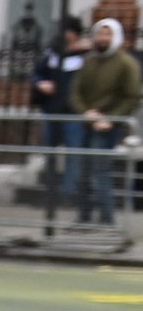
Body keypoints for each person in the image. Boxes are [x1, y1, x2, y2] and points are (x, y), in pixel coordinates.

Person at [68, 16, 138, 227]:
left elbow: (132, 96)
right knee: (82, 172)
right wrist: (86, 112)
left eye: (108, 34)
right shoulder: (89, 60)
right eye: (100, 33)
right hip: (88, 122)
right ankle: (84, 216)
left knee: (100, 171)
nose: (103, 38)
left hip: (108, 125)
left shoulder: (126, 63)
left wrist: (112, 118)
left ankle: (106, 219)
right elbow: (76, 90)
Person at [31, 17, 87, 214]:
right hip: (52, 110)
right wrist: (41, 84)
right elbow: (37, 73)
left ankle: (68, 192)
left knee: (73, 154)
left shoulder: (84, 56)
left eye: (68, 31)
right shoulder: (52, 53)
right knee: (50, 153)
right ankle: (50, 191)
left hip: (73, 112)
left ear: (75, 33)